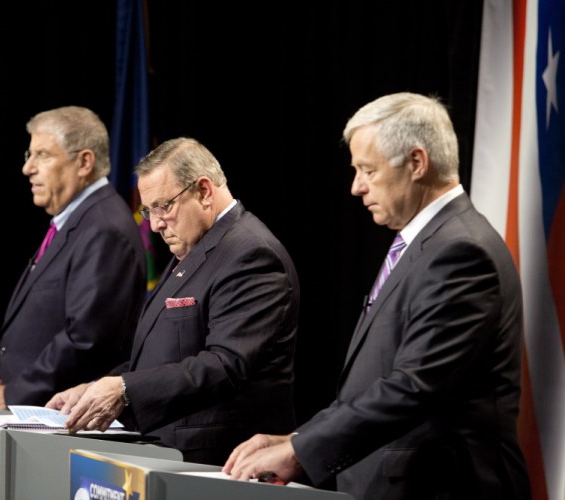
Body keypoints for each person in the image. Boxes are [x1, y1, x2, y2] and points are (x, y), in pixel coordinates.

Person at [223, 92, 531, 499]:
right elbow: (374, 380)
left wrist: (301, 452)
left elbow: (413, 387)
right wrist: (295, 438)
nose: (356, 187)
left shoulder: (461, 251)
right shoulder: (426, 243)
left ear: (417, 163)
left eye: (367, 170)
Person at [45, 137, 300, 466]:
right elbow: (162, 355)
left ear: (204, 191)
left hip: (218, 461)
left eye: (163, 206)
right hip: (170, 453)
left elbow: (225, 364)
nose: (155, 224)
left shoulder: (250, 254)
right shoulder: (194, 246)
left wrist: (124, 390)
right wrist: (95, 389)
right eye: (148, 210)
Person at [0, 106, 147, 409]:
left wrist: (13, 393)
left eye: (43, 155)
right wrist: (3, 380)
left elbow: (86, 340)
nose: (28, 168)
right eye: (30, 155)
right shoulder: (76, 221)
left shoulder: (104, 229)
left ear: (84, 162)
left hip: (60, 420)